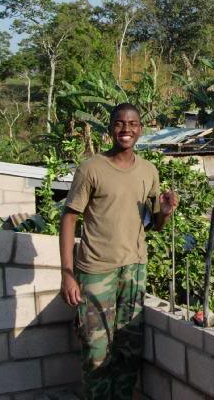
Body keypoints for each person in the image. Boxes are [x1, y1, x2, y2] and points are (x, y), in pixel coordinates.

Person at [59, 102, 178, 399]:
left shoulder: (149, 171)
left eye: (132, 124)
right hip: (96, 271)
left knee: (129, 349)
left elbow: (154, 224)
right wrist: (67, 274)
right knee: (95, 350)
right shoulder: (91, 168)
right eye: (119, 123)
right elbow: (69, 219)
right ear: (110, 128)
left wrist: (165, 212)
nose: (126, 129)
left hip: (134, 269)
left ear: (140, 129)